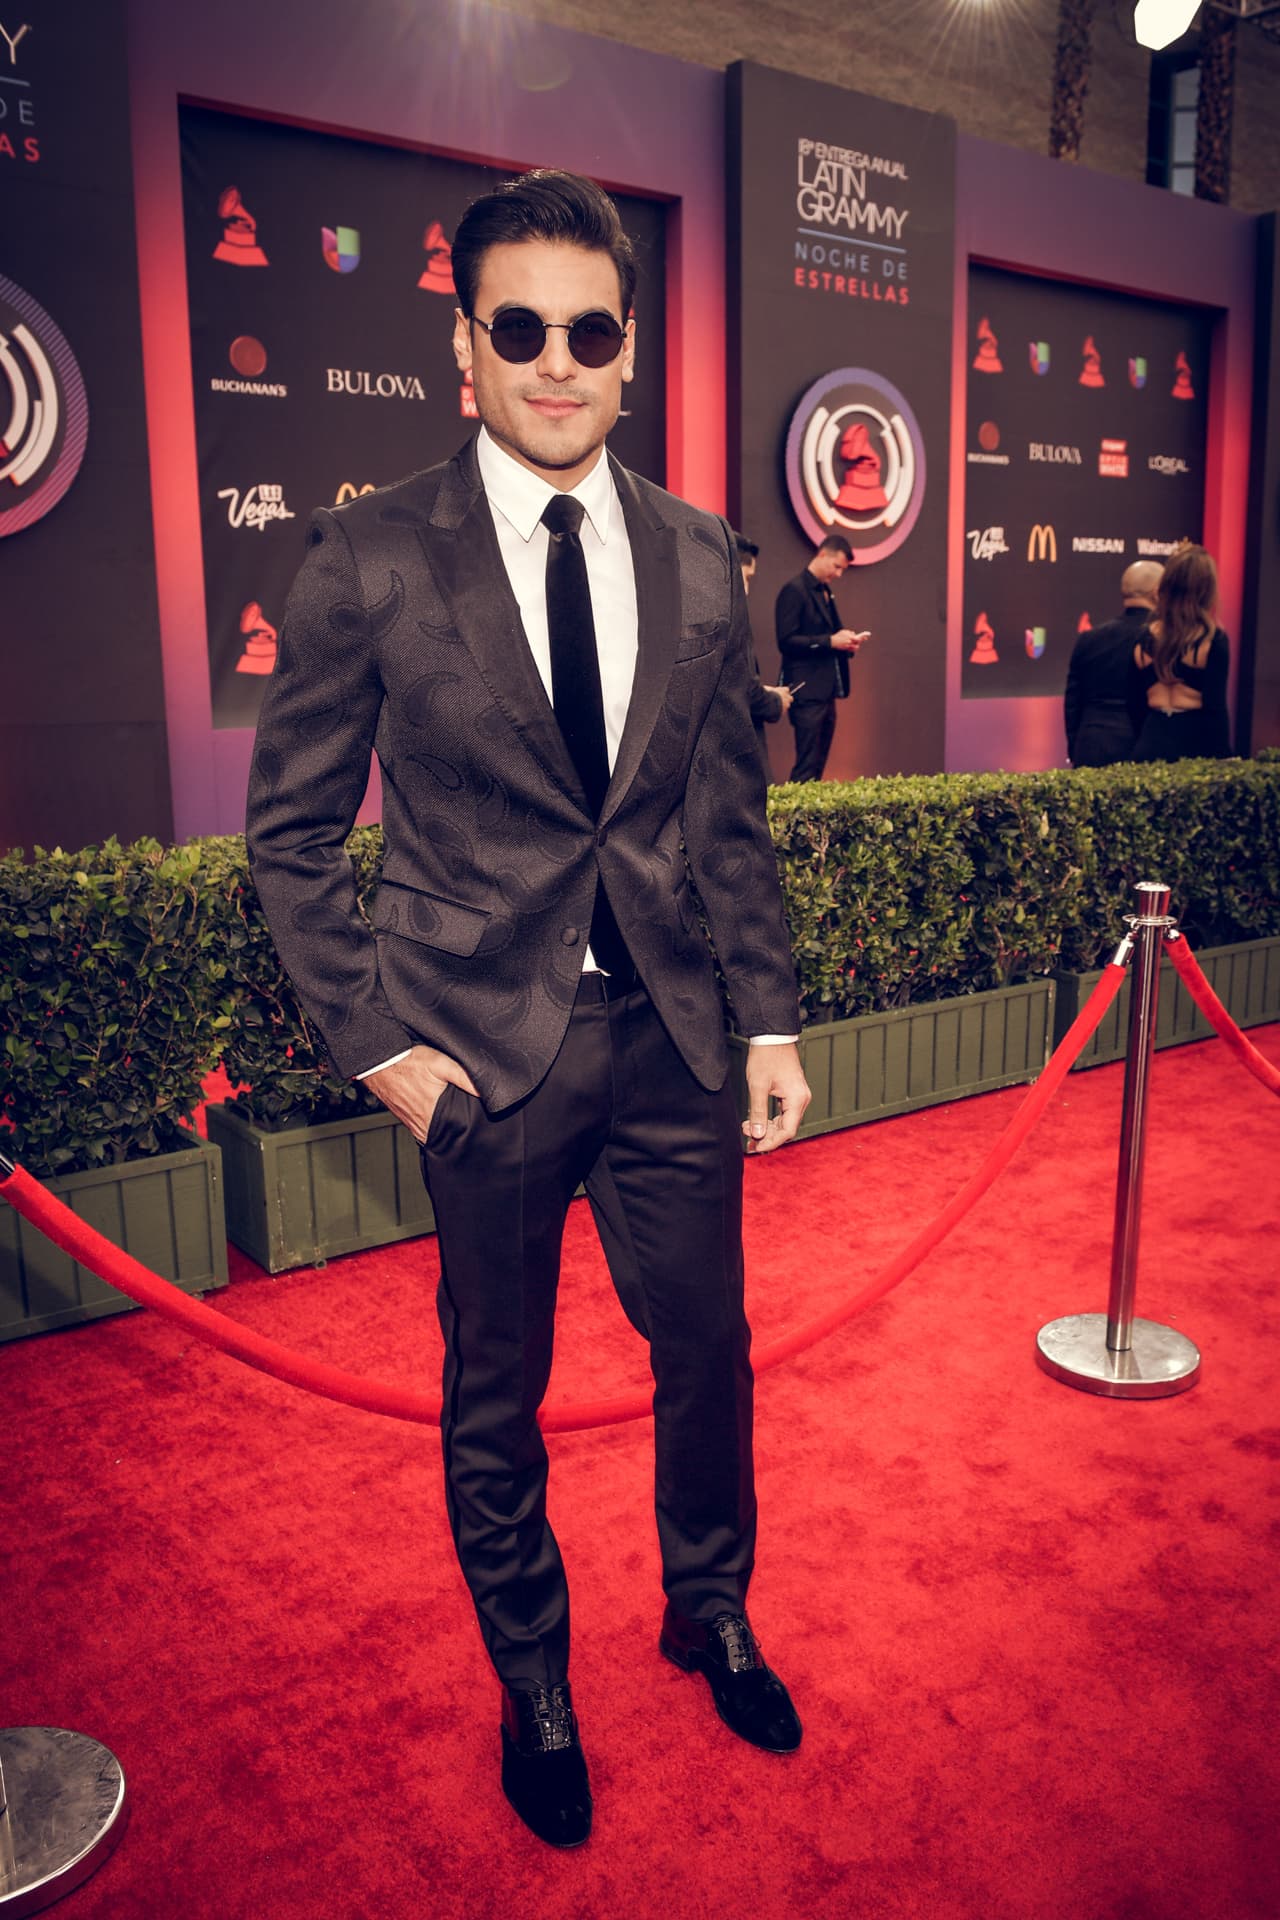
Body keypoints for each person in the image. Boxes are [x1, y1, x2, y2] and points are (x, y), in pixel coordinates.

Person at [244, 169, 812, 1852]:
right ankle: (535, 1680)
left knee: (708, 1351)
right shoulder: (366, 560)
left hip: (671, 1050)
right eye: (521, 329)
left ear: (630, 349)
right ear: (465, 350)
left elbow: (722, 827)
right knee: (495, 1395)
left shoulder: (705, 555)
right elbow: (286, 839)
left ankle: (708, 1608)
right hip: (476, 1068)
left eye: (590, 330)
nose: (557, 362)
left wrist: (768, 1022)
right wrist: (376, 1048)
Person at [774, 534, 869, 781]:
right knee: (806, 766)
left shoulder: (826, 592)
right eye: (837, 567)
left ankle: (811, 819)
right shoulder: (794, 591)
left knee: (818, 766)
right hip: (806, 692)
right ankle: (792, 818)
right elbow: (786, 641)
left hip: (826, 692)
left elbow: (830, 635)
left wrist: (846, 642)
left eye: (842, 570)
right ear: (823, 554)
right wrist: (830, 641)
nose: (839, 574)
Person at [1128, 543, 1232, 762]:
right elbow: (1215, 711)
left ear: (1166, 585)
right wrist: (1225, 761)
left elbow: (1134, 706)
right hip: (1194, 746)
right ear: (1206, 590)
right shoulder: (1213, 641)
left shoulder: (1143, 639)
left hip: (1150, 742)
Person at [1063, 560, 1163, 767]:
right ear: (1157, 593)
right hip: (1141, 745)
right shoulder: (1160, 639)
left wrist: (1076, 747)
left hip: (1089, 745)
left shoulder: (1088, 638)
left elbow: (1073, 703)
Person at [734, 531, 793, 774]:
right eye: (746, 578)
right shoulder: (731, 621)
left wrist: (762, 690)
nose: (747, 590)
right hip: (739, 764)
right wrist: (775, 701)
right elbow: (744, 693)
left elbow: (733, 684)